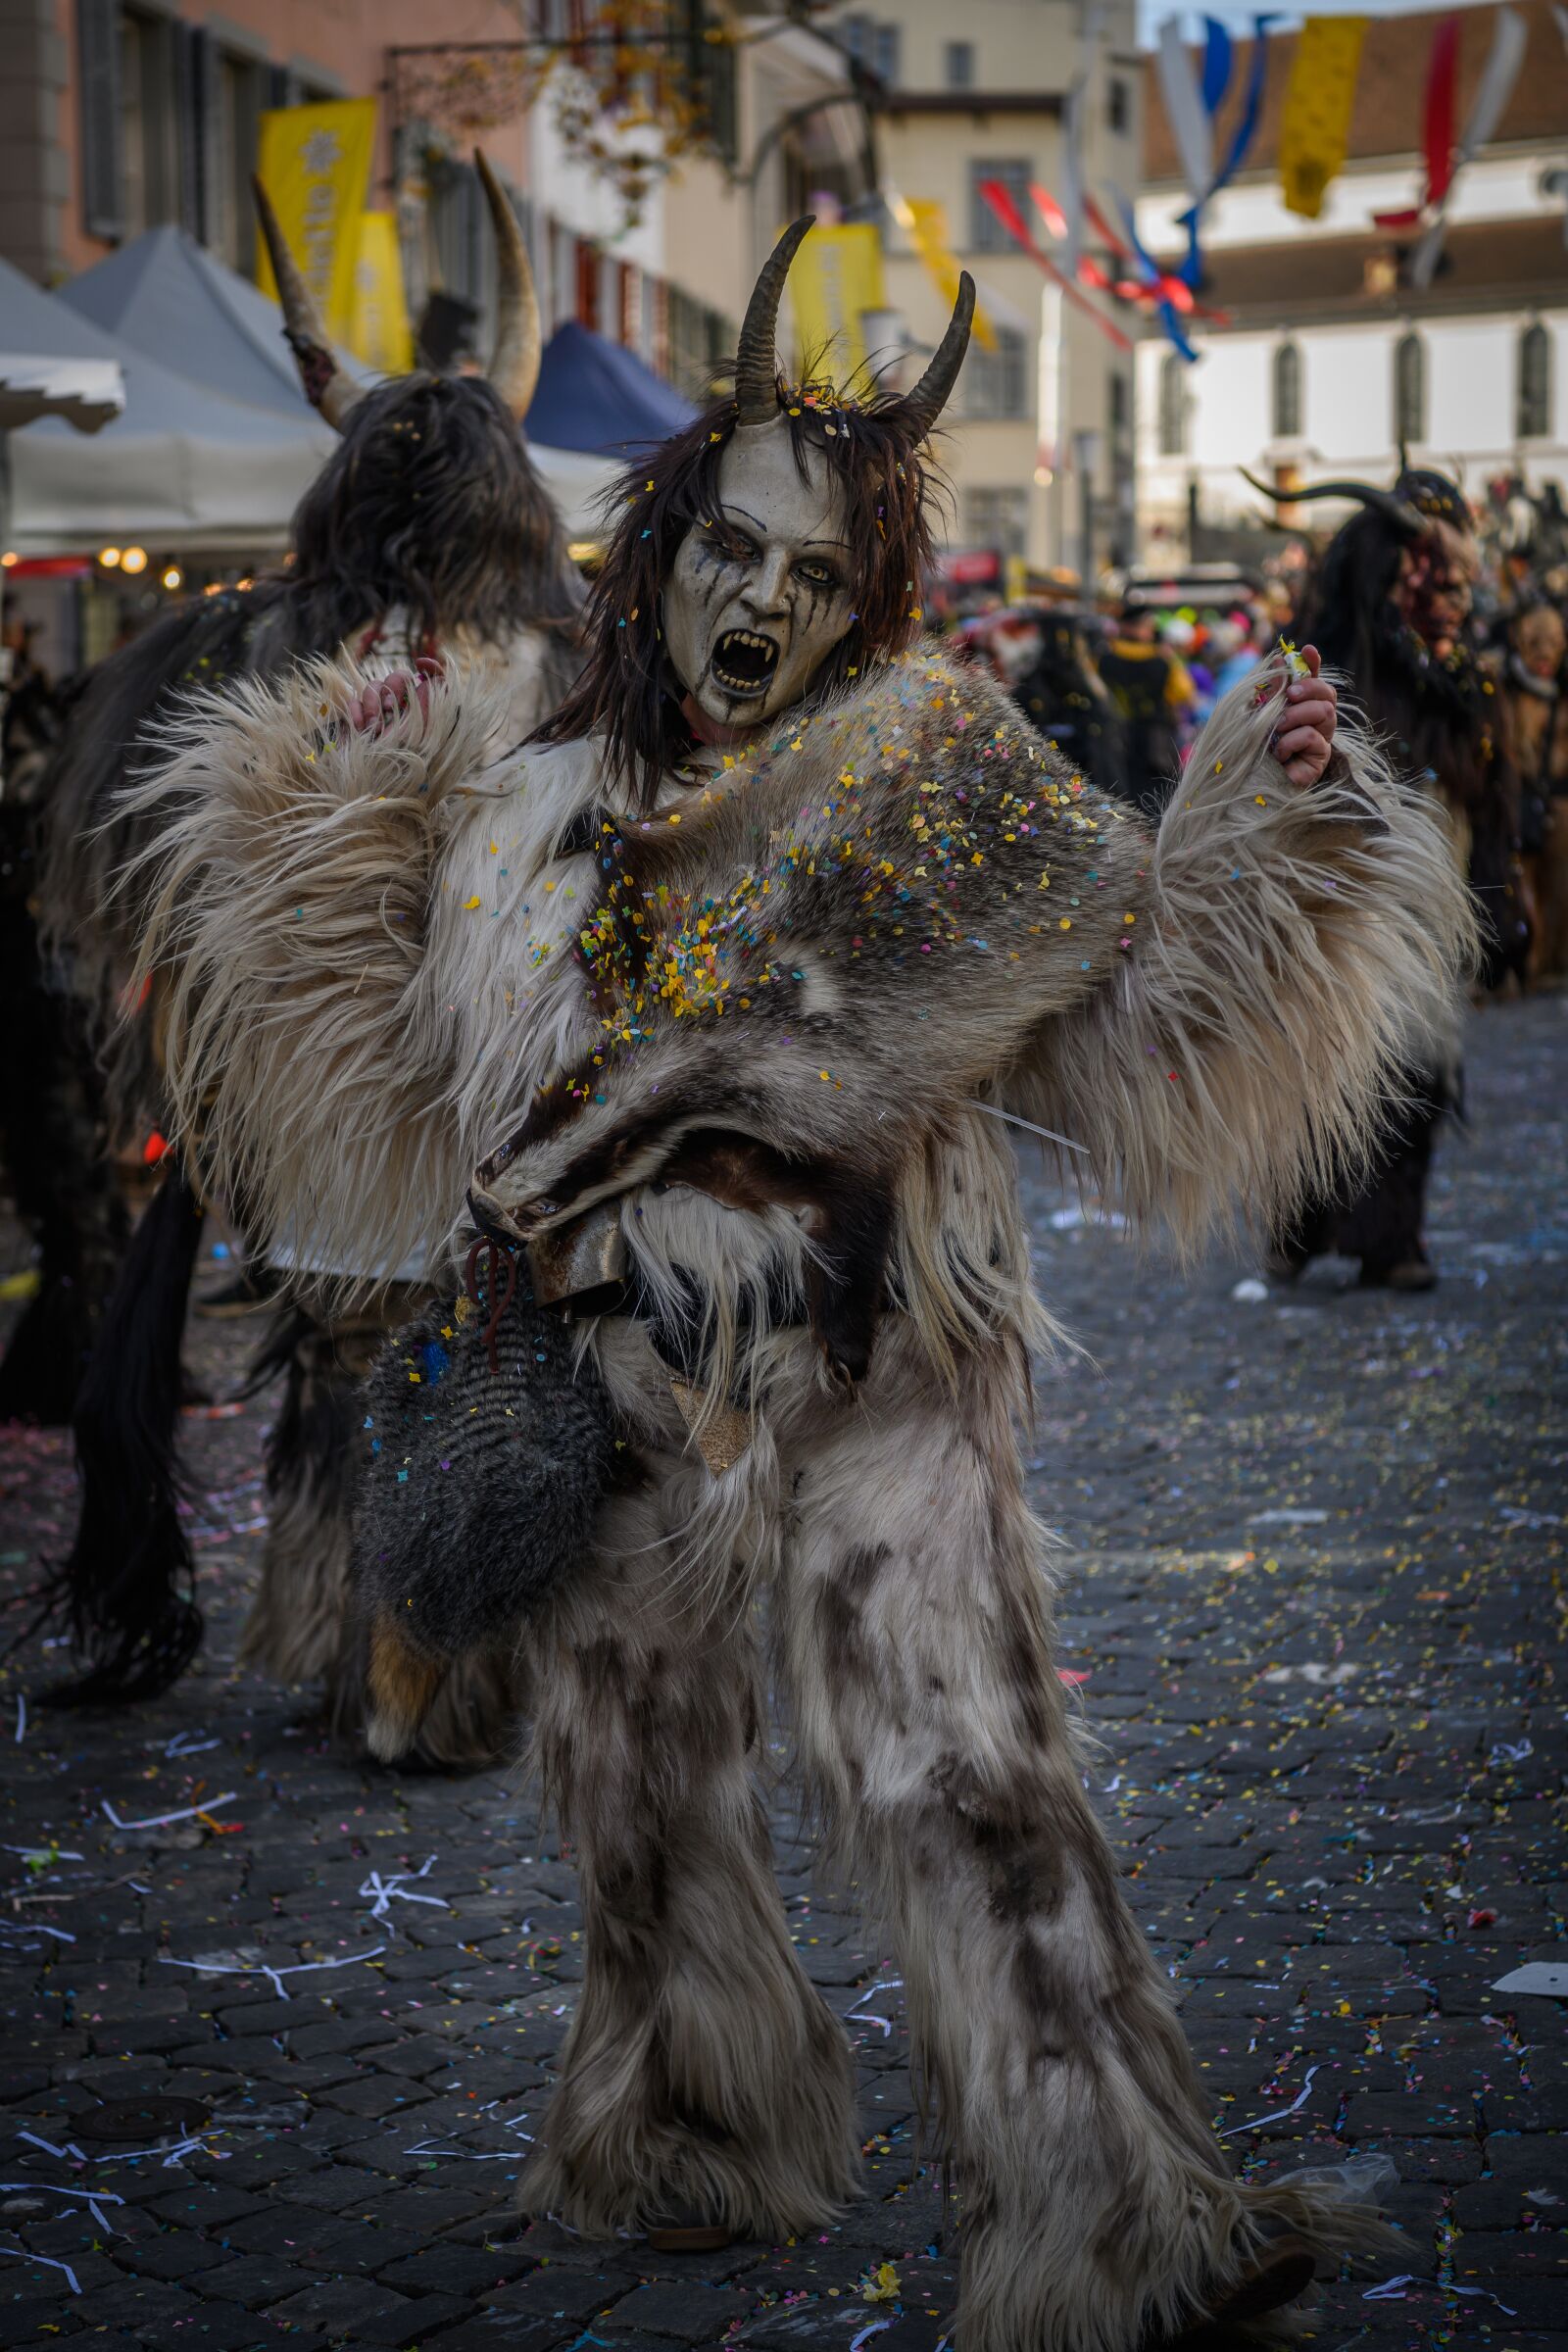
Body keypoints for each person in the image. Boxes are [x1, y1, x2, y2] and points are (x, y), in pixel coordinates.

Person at [128, 223, 1470, 2350]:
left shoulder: (932, 780)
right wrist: (353, 783)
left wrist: (1271, 823)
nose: (758, 601)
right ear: (657, 547)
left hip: (886, 1376)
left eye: (811, 573)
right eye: (727, 551)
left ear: (865, 602)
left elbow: (1131, 1010)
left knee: (972, 1781)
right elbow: (364, 1062)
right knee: (633, 1788)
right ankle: (678, 2124)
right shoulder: (521, 794)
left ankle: (1114, 2228)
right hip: (612, 1394)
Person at [32, 157, 583, 1745]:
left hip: (380, 1093)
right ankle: (410, 1663)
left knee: (380, 1364)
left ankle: (391, 1649)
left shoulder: (285, 657)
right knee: (403, 1358)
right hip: (381, 1092)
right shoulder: (509, 660)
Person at [1248, 463, 1516, 1288]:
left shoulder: (1465, 682)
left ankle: (1396, 1238)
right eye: (1436, 576)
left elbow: (1495, 793)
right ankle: (1301, 1225)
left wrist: (1498, 899)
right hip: (1342, 896)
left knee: (1418, 1070)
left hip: (1434, 895)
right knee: (1327, 1069)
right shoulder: (1333, 660)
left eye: (1462, 581)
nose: (1455, 598)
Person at [1097, 602, 1198, 815]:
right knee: (1158, 803)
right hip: (1156, 741)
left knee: (1121, 799)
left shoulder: (1102, 658)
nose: (1152, 631)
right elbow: (1185, 694)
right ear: (1137, 627)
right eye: (1149, 626)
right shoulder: (1162, 659)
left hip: (1116, 739)